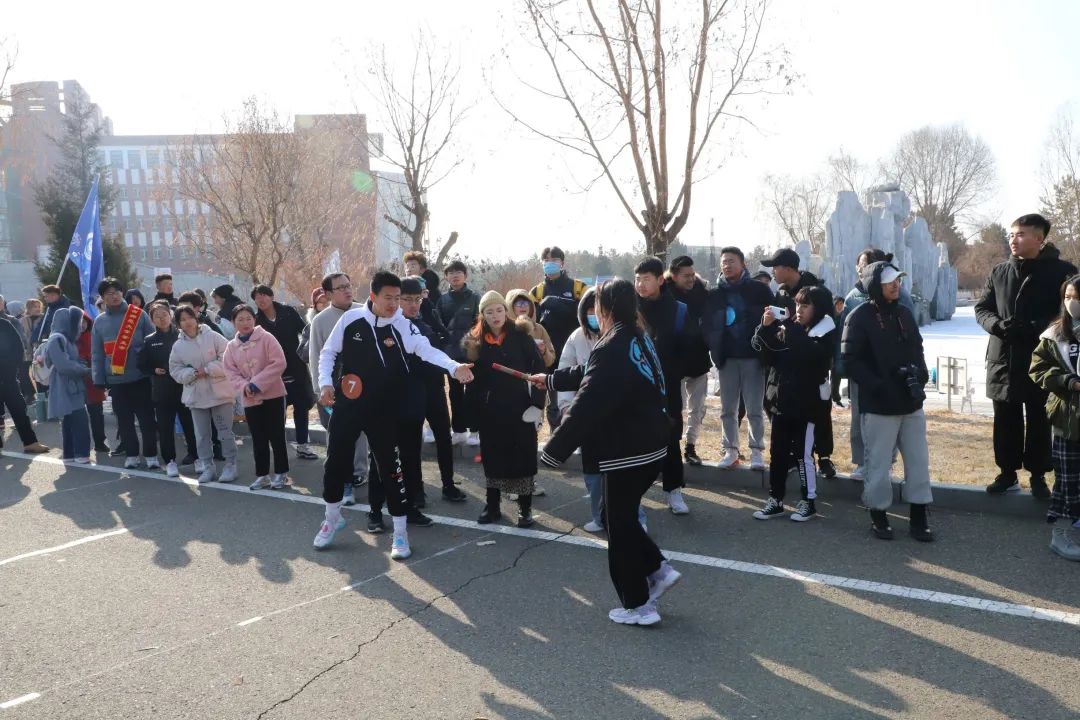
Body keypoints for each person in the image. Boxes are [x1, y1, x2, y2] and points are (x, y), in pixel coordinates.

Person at [538, 279, 680, 626]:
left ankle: (639, 605)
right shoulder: (637, 337)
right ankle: (658, 569)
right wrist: (551, 380)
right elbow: (592, 373)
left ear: (605, 308)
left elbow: (588, 402)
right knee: (622, 518)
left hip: (627, 449)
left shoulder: (613, 344)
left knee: (619, 527)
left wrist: (552, 451)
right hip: (652, 445)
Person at [315, 271, 474, 560]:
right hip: (349, 402)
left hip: (384, 408)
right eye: (388, 298)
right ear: (373, 296)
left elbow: (427, 351)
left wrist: (454, 367)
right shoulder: (351, 320)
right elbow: (328, 353)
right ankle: (331, 519)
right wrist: (325, 382)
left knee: (390, 468)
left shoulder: (404, 326)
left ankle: (400, 533)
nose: (393, 304)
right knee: (335, 462)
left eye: (397, 298)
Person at [976, 214, 1077, 498]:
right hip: (1003, 356)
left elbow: (1067, 310)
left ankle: (1038, 475)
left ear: (1039, 238)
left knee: (1039, 418)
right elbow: (982, 308)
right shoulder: (999, 272)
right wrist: (998, 325)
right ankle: (1007, 473)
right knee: (1005, 418)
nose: (1013, 240)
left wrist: (1037, 328)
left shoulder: (1062, 272)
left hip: (1041, 358)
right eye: (1011, 234)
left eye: (1020, 234)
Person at [842, 261, 934, 542]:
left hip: (910, 402)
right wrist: (877, 386)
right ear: (874, 285)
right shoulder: (859, 317)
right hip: (879, 405)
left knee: (918, 461)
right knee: (878, 464)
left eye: (898, 280)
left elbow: (918, 349)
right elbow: (851, 360)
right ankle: (878, 514)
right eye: (889, 281)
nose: (896, 285)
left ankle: (919, 515)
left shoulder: (905, 313)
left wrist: (920, 375)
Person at [750, 286, 836, 522]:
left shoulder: (825, 332)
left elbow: (809, 354)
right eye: (797, 304)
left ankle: (808, 501)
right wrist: (766, 328)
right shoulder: (791, 329)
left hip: (808, 407)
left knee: (803, 455)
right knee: (777, 454)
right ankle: (775, 499)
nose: (799, 310)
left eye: (805, 306)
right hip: (781, 402)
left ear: (818, 308)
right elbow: (768, 356)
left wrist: (788, 326)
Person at [464, 291, 546, 527]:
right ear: (483, 315)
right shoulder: (476, 342)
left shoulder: (520, 335)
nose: (495, 315)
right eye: (489, 312)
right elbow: (473, 381)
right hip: (490, 410)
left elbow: (538, 370)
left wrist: (537, 404)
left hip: (520, 407)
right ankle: (492, 506)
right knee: (493, 458)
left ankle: (525, 508)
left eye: (499, 310)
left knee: (523, 456)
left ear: (505, 310)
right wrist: (472, 415)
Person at [837, 248, 917, 480]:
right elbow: (843, 336)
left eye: (865, 265)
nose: (860, 269)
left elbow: (911, 333)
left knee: (889, 417)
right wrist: (841, 367)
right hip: (860, 368)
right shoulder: (853, 296)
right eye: (859, 265)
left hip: (890, 368)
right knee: (858, 417)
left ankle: (886, 462)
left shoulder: (900, 295)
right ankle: (862, 462)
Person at [761, 247, 837, 479]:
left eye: (775, 267)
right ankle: (795, 456)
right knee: (777, 406)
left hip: (812, 363)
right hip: (785, 363)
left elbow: (828, 327)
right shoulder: (781, 293)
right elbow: (779, 328)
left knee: (818, 412)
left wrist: (797, 331)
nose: (772, 272)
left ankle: (823, 457)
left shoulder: (817, 290)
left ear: (788, 268)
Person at [634, 256, 697, 516]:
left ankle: (673, 490)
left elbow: (690, 349)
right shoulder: (628, 309)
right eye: (637, 279)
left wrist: (670, 370)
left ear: (660, 280)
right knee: (634, 439)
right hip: (634, 387)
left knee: (670, 439)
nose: (640, 284)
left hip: (667, 387)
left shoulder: (678, 310)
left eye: (646, 279)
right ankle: (633, 494)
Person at [702, 246, 774, 470]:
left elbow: (773, 319)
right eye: (724, 261)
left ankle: (756, 452)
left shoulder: (759, 290)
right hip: (727, 359)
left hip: (753, 358)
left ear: (743, 264)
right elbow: (707, 325)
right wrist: (714, 349)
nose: (727, 265)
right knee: (727, 409)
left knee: (754, 408)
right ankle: (730, 450)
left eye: (731, 261)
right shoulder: (714, 294)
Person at [400, 277, 465, 504]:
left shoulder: (426, 316)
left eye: (417, 299)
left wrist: (427, 310)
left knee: (443, 437)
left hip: (435, 387)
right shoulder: (394, 326)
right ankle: (416, 490)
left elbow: (445, 338)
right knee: (411, 442)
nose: (413, 305)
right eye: (407, 299)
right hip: (410, 391)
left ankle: (448, 485)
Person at [1029, 274, 1080, 560]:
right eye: (1068, 297)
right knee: (1067, 480)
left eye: (1078, 297)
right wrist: (1066, 381)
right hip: (1066, 420)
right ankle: (1060, 535)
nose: (1072, 303)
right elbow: (1037, 369)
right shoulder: (1055, 335)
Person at [308, 272, 369, 503]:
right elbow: (315, 356)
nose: (347, 290)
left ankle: (360, 471)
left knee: (361, 431)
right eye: (340, 287)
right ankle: (340, 476)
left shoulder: (365, 311)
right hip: (335, 387)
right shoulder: (320, 321)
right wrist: (320, 388)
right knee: (337, 433)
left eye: (348, 285)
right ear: (328, 294)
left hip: (365, 385)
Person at [91, 277, 159, 469]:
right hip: (116, 380)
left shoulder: (138, 315)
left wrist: (153, 369)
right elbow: (96, 353)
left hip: (140, 377)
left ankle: (151, 455)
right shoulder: (99, 322)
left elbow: (152, 342)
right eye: (109, 293)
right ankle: (132, 455)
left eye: (117, 292)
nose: (114, 296)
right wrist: (98, 378)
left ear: (122, 293)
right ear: (103, 298)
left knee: (147, 419)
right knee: (124, 421)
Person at [169, 304, 238, 484]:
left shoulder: (213, 336)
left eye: (189, 317)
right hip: (196, 395)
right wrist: (191, 373)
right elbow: (175, 370)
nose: (187, 322)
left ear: (196, 318)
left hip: (220, 393)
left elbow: (228, 358)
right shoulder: (178, 346)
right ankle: (208, 466)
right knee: (201, 435)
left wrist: (208, 369)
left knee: (225, 431)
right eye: (182, 320)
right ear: (178, 324)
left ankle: (230, 465)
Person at [224, 304, 290, 490]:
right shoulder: (231, 347)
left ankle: (281, 472)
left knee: (276, 435)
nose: (245, 323)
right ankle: (262, 475)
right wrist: (245, 386)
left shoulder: (266, 338)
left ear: (254, 319)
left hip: (273, 394)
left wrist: (257, 383)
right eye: (240, 319)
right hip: (249, 397)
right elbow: (230, 371)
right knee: (258, 438)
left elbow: (279, 363)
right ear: (233, 322)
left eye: (248, 318)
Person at [251, 285, 317, 461]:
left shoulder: (288, 312)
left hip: (296, 367)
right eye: (257, 297)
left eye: (264, 295)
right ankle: (279, 448)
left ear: (272, 296)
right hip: (272, 371)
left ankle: (303, 445)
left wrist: (306, 352)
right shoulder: (256, 320)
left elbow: (304, 332)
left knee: (301, 407)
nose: (261, 299)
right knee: (276, 412)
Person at [138, 301, 198, 477]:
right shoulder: (149, 340)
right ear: (152, 320)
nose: (162, 319)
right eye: (157, 316)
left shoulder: (182, 335)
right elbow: (142, 364)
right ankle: (170, 461)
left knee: (190, 425)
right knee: (165, 428)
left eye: (164, 314)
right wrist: (153, 370)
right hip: (162, 390)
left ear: (170, 315)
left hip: (184, 387)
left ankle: (196, 457)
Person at [666, 256, 712, 466]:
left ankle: (690, 446)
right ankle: (671, 446)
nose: (691, 279)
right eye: (686, 276)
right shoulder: (664, 295)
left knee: (698, 408)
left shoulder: (702, 292)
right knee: (676, 407)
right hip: (673, 363)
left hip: (699, 360)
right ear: (674, 276)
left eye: (693, 274)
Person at [435, 260, 482, 446]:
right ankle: (459, 430)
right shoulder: (442, 300)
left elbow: (480, 324)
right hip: (451, 355)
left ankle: (475, 430)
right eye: (451, 273)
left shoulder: (475, 298)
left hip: (471, 353)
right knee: (454, 393)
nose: (455, 276)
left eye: (458, 272)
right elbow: (438, 325)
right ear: (446, 277)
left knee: (473, 392)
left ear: (465, 276)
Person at [44, 306, 92, 463]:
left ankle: (70, 454)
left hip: (68, 384)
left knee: (69, 420)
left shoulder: (62, 338)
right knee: (79, 420)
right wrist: (85, 370)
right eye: (77, 322)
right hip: (66, 385)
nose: (80, 325)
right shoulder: (57, 339)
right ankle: (81, 454)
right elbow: (64, 365)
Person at [0, 312, 49, 453]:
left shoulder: (4, 324)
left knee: (20, 410)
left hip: (8, 377)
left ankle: (30, 442)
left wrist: (12, 369)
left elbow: (18, 347)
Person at [76, 311, 110, 455]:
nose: (82, 325)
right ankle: (80, 444)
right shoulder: (67, 339)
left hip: (93, 381)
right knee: (77, 416)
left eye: (84, 322)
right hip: (75, 381)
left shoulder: (94, 336)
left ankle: (100, 442)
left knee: (97, 414)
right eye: (78, 322)